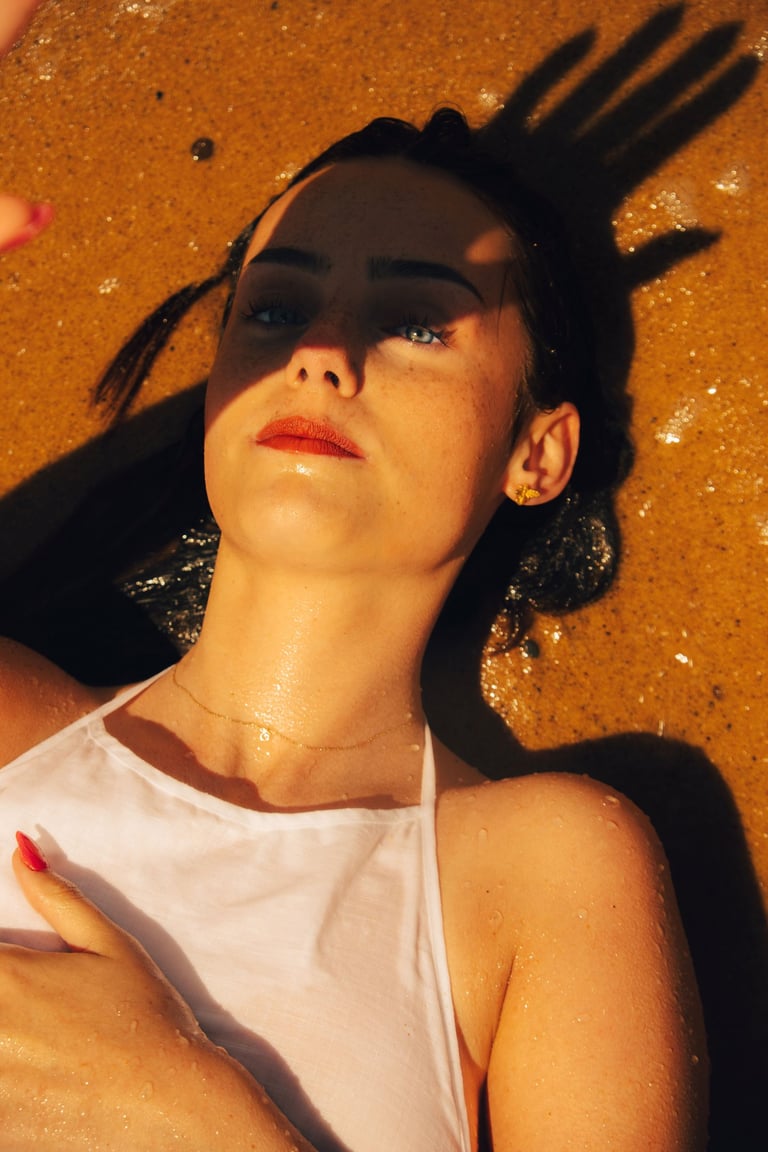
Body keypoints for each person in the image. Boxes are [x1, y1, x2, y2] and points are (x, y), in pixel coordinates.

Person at [0, 14, 707, 1151]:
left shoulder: (543, 869)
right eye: (276, 312)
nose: (320, 355)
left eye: (419, 323)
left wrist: (181, 1111)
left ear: (539, 452)